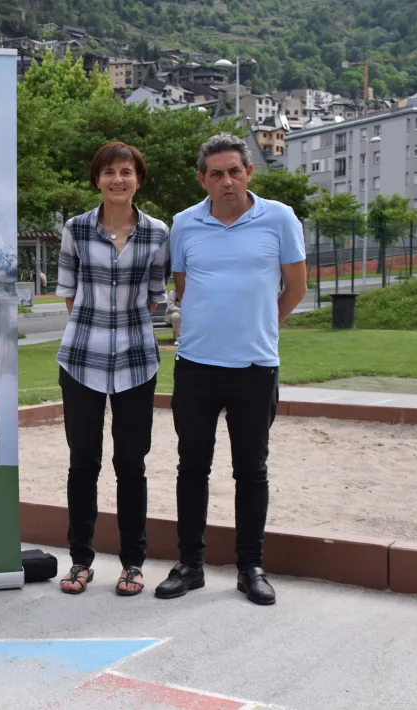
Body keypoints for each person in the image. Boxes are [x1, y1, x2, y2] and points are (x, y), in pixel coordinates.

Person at [154, 133, 307, 606]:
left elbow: (296, 288)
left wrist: (261, 327)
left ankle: (250, 567)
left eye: (234, 171)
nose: (226, 181)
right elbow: (186, 288)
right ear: (202, 178)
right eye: (216, 173)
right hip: (196, 366)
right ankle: (190, 565)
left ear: (249, 172)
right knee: (192, 468)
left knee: (251, 471)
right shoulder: (184, 224)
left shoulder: (279, 218)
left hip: (255, 367)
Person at [54, 141, 170, 597]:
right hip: (81, 359)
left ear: (138, 179)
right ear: (96, 179)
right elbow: (68, 292)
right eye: (109, 172)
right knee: (83, 463)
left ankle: (132, 563)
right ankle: (80, 560)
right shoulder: (76, 230)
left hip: (137, 362)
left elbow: (156, 293)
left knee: (131, 464)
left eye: (126, 172)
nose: (117, 180)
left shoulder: (158, 232)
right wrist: (95, 325)